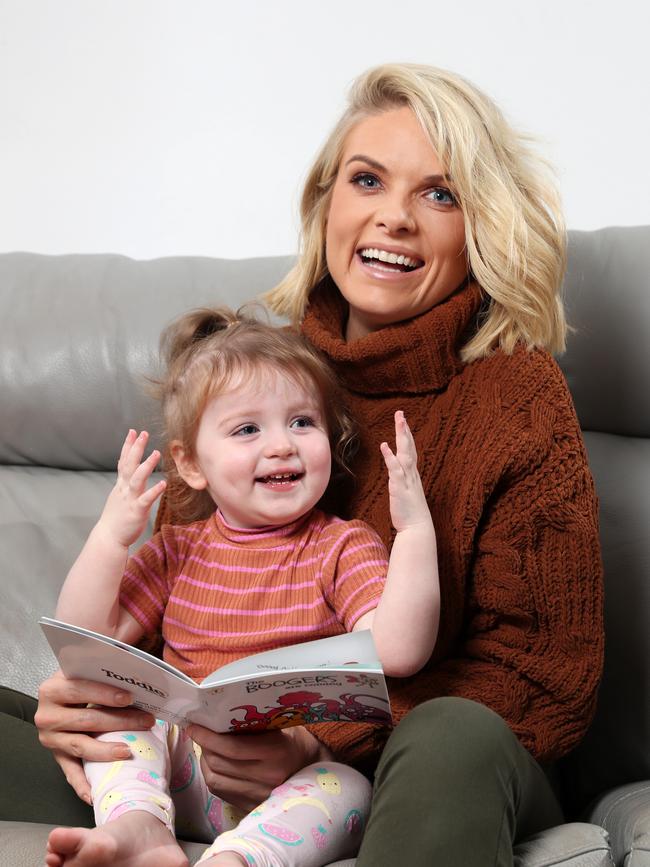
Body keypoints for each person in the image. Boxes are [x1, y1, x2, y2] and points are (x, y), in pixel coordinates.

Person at [3, 62, 603, 866]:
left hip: (429, 764)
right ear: (327, 204)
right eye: (367, 180)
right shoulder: (249, 370)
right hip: (205, 766)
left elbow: (543, 683)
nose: (394, 217)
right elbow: (156, 616)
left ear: (480, 225)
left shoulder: (517, 394)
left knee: (450, 734)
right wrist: (78, 703)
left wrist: (313, 744)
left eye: (441, 193)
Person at [43, 306, 440, 867]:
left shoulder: (342, 545)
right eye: (247, 429)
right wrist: (111, 538)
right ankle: (138, 828)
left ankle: (242, 858)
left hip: (285, 784)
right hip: (183, 778)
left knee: (347, 786)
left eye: (302, 422)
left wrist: (416, 530)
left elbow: (399, 651)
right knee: (129, 725)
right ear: (190, 464)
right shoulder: (177, 550)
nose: (281, 445)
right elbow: (85, 642)